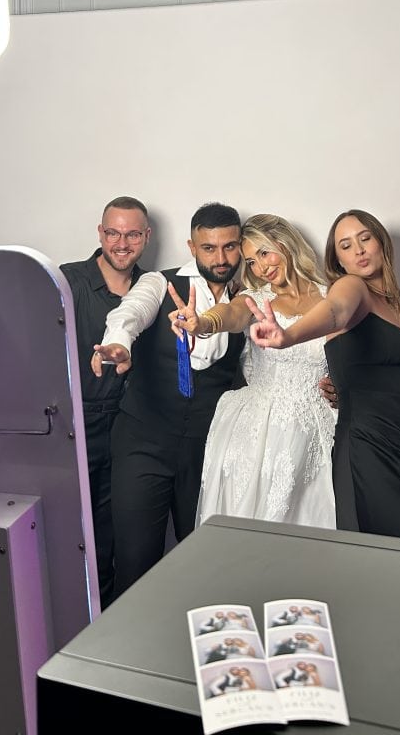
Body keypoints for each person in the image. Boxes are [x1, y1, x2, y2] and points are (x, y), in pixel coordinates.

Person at [249, 209, 400, 542]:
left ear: (380, 244)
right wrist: (287, 337)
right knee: (382, 558)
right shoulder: (351, 289)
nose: (358, 250)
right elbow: (335, 311)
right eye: (345, 245)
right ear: (338, 261)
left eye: (365, 238)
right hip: (369, 446)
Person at [91, 202, 246, 597]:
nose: (221, 257)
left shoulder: (245, 303)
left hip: (208, 451)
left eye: (229, 246)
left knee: (203, 563)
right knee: (136, 562)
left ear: (241, 246)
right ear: (192, 246)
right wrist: (118, 346)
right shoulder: (159, 283)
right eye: (209, 247)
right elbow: (129, 314)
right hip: (144, 444)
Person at [168, 213, 337, 529]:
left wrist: (342, 386)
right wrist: (203, 323)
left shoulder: (333, 296)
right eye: (251, 262)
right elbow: (230, 314)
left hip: (321, 427)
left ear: (284, 243)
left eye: (264, 253)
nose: (261, 268)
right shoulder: (256, 299)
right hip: (261, 432)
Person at [59, 196, 150, 610]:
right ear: (100, 233)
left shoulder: (153, 288)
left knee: (123, 536)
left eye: (131, 234)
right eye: (112, 233)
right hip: (77, 427)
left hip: (132, 429)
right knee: (79, 537)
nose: (121, 243)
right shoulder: (67, 282)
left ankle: (114, 624)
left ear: (146, 237)